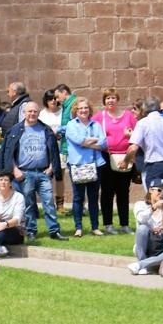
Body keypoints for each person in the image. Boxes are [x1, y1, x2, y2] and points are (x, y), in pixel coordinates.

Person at [2, 101, 66, 241]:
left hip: (43, 173)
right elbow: (8, 153)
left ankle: (54, 231)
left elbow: (53, 151)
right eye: (29, 111)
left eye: (35, 111)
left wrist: (51, 168)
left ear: (38, 113)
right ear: (24, 113)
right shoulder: (15, 130)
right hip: (25, 173)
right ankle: (31, 231)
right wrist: (15, 170)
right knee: (28, 204)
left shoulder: (46, 129)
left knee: (49, 202)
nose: (32, 114)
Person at [91, 88, 137, 235]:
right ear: (104, 101)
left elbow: (138, 134)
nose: (110, 101)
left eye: (113, 98)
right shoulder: (100, 117)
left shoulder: (128, 116)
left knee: (123, 192)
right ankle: (108, 224)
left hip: (126, 157)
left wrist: (131, 135)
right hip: (106, 157)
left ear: (118, 100)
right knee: (107, 192)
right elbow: (90, 131)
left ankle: (124, 224)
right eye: (107, 98)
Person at [66, 98, 106, 237]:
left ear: (89, 110)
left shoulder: (96, 125)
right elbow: (78, 140)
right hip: (77, 165)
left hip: (96, 165)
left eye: (86, 108)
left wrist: (87, 142)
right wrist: (93, 141)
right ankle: (78, 227)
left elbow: (103, 142)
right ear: (75, 111)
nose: (83, 110)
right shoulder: (71, 125)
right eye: (80, 108)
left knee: (94, 197)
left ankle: (95, 227)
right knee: (78, 198)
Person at [123, 98, 163, 190]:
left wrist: (125, 162)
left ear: (144, 109)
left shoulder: (144, 122)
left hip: (155, 165)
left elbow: (133, 148)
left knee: (154, 198)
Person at [127, 178, 163, 275]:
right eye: (159, 190)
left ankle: (141, 265)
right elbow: (141, 218)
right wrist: (154, 207)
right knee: (142, 228)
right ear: (151, 190)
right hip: (145, 244)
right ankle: (143, 262)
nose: (162, 194)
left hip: (160, 243)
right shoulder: (140, 205)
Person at [0, 171, 26, 258]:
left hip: (14, 232)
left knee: (2, 227)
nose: (3, 182)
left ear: (10, 183)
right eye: (1, 180)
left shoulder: (18, 197)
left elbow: (17, 219)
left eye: (6, 180)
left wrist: (5, 224)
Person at [38, 89, 66, 214]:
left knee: (60, 176)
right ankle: (48, 204)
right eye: (50, 99)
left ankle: (60, 204)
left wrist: (60, 133)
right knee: (47, 176)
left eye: (55, 98)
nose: (53, 101)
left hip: (61, 147)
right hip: (47, 149)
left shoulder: (63, 112)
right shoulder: (42, 114)